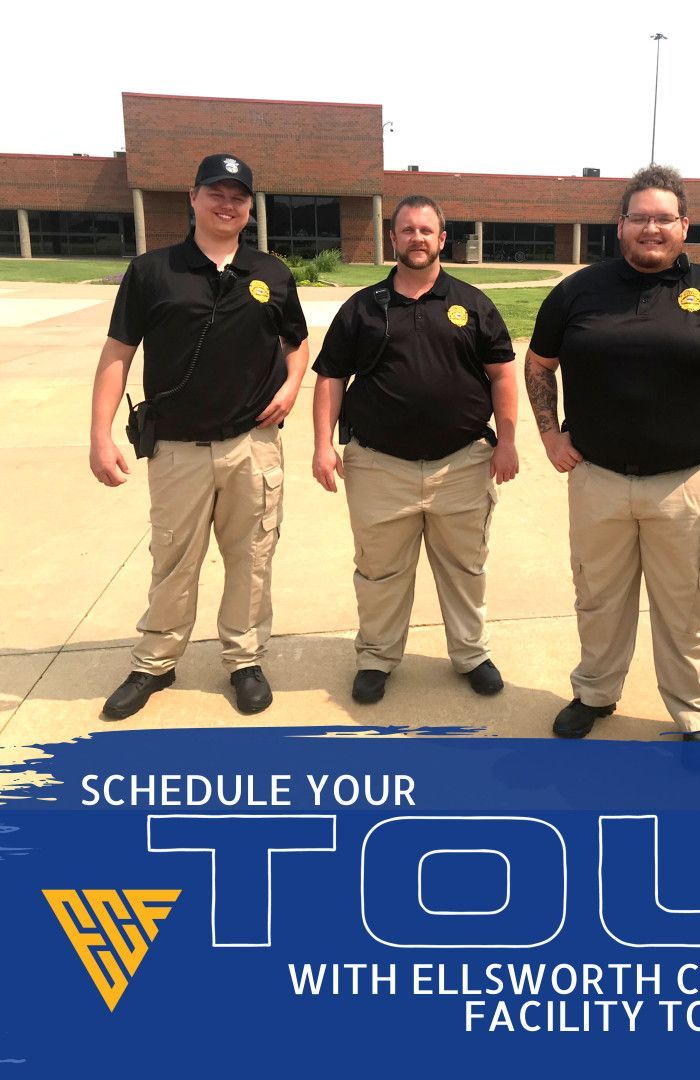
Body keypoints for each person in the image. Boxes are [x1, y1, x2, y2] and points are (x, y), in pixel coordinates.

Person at [525, 165, 700, 741]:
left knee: (688, 610)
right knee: (597, 600)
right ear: (620, 226)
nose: (652, 228)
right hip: (596, 478)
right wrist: (550, 433)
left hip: (688, 484)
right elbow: (539, 363)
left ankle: (696, 713)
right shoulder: (577, 291)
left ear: (684, 225)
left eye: (663, 218)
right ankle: (595, 694)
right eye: (640, 217)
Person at [90, 153, 309, 719]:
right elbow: (118, 353)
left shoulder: (271, 273)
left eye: (238, 195)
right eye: (216, 191)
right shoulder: (152, 271)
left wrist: (291, 388)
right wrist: (100, 433)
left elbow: (297, 342)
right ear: (192, 197)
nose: (227, 203)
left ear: (249, 208)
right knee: (173, 558)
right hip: (177, 449)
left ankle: (244, 660)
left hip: (252, 447)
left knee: (252, 558)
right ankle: (155, 662)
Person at [311, 195, 518, 705]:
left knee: (466, 568)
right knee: (379, 571)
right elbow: (331, 377)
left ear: (442, 239)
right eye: (407, 230)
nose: (417, 238)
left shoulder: (473, 304)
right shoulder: (362, 307)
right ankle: (376, 657)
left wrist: (508, 442)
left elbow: (502, 374)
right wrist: (322, 444)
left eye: (427, 230)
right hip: (379, 466)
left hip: (462, 463)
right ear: (394, 238)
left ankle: (471, 654)